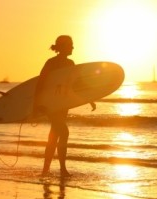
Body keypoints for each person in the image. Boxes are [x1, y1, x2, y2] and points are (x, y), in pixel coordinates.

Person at [34, 35, 96, 177]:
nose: (72, 47)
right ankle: (62, 169)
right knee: (64, 132)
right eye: (70, 45)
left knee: (54, 135)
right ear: (63, 47)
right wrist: (38, 104)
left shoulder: (70, 63)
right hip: (51, 103)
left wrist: (90, 98)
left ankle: (46, 170)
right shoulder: (51, 63)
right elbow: (41, 83)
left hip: (63, 104)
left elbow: (78, 84)